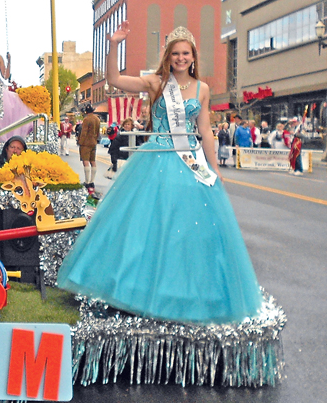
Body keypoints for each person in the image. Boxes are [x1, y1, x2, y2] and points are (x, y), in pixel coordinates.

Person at [57, 21, 263, 324]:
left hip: (189, 160)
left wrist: (214, 168)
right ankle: (136, 291)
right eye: (175, 53)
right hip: (156, 159)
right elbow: (114, 79)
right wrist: (114, 44)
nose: (181, 58)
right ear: (168, 56)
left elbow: (205, 131)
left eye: (185, 53)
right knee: (147, 227)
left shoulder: (202, 89)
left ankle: (184, 293)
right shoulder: (155, 82)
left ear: (193, 56)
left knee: (187, 231)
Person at [77, 103, 100, 188]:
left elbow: (84, 132)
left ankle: (87, 181)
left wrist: (80, 142)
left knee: (85, 161)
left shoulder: (86, 119)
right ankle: (92, 181)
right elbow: (98, 132)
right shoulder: (97, 119)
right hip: (93, 141)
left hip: (86, 143)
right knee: (93, 161)